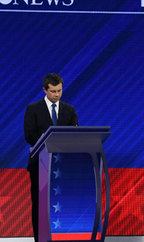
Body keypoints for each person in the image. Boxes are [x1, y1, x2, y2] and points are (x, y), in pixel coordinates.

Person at [24, 73, 79, 242]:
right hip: (40, 164)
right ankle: (39, 239)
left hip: (64, 165)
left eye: (59, 90)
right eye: (53, 91)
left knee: (64, 205)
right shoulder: (33, 109)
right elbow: (29, 135)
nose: (57, 94)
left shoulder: (69, 110)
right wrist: (50, 143)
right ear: (45, 90)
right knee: (40, 205)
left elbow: (76, 133)